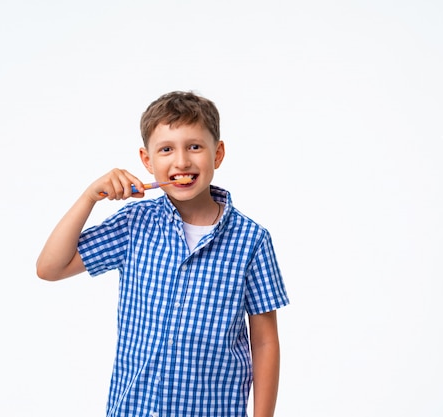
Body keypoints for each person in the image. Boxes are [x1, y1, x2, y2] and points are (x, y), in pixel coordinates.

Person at [36, 91, 290, 417]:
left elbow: (265, 342)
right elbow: (50, 268)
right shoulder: (134, 225)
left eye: (194, 146)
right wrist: (89, 197)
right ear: (147, 160)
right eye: (166, 149)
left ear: (218, 153)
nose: (181, 161)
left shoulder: (252, 240)